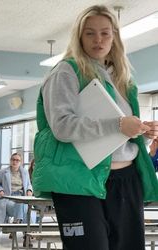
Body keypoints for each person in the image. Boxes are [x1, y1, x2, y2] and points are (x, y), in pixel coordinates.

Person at [32, 5, 158, 250]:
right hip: (79, 179)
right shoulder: (66, 71)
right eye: (90, 33)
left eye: (105, 33)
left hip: (126, 180)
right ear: (79, 36)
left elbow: (117, 139)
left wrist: (141, 132)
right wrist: (120, 124)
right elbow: (62, 127)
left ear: (115, 37)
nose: (98, 40)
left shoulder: (123, 79)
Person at [0, 153, 33, 246]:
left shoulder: (24, 172)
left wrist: (29, 190)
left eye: (17, 160)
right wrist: (0, 190)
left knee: (24, 205)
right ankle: (26, 234)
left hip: (21, 197)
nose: (15, 161)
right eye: (13, 159)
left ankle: (17, 225)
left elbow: (29, 184)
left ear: (20, 162)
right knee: (24, 206)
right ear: (10, 160)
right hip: (8, 199)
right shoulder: (3, 172)